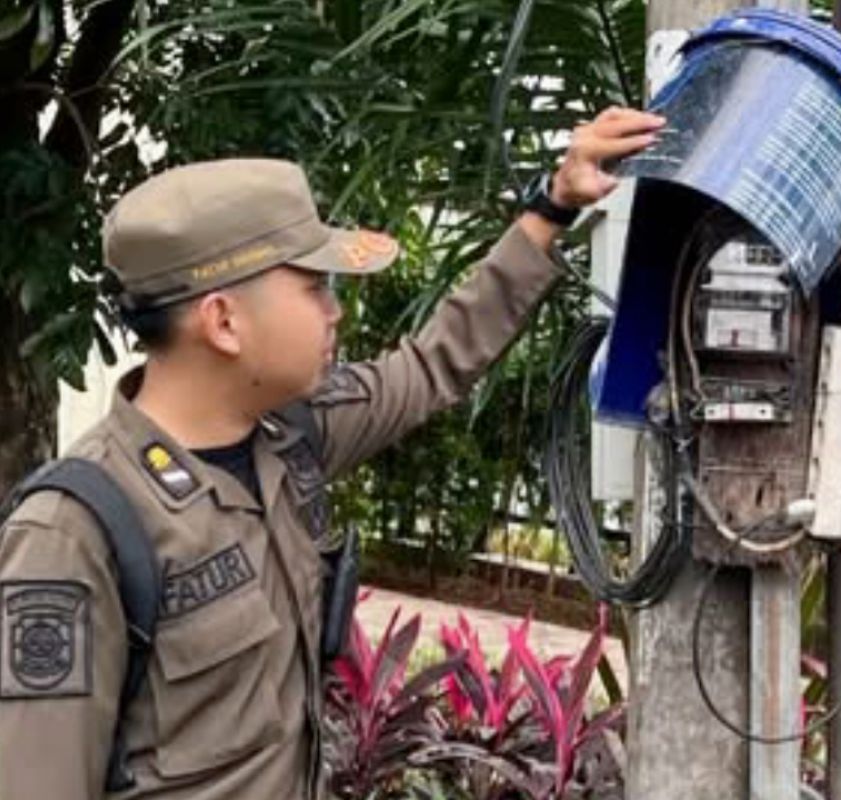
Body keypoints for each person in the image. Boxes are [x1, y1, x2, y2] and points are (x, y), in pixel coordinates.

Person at [0, 106, 664, 799]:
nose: (334, 311)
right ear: (224, 321)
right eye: (314, 286)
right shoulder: (73, 534)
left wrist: (550, 207)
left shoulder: (289, 440)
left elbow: (431, 366)